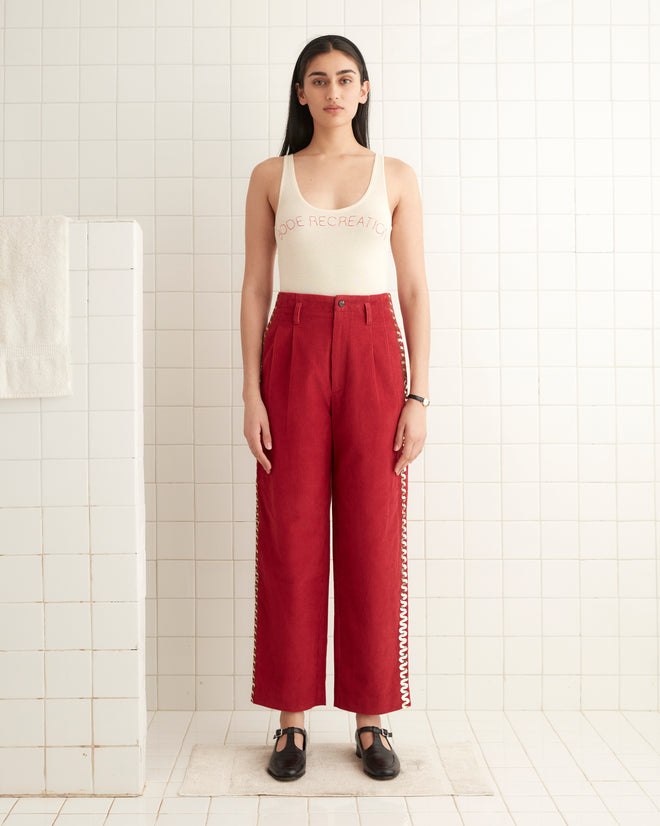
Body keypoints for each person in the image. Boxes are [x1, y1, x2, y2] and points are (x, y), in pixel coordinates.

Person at [240, 34, 430, 782]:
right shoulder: (269, 175)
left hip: (374, 352)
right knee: (289, 528)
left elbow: (413, 288)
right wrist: (251, 390)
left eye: (344, 79)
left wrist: (418, 394)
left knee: (371, 530)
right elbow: (257, 287)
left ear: (364, 90)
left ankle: (372, 718)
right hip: (291, 346)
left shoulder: (395, 176)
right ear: (300, 93)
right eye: (316, 80)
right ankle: (290, 722)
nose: (331, 91)